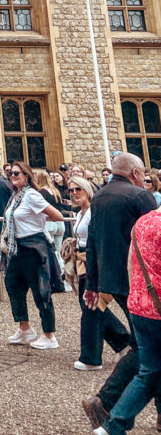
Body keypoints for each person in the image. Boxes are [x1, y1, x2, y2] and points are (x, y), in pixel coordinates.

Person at [81, 152, 158, 433]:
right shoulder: (140, 197)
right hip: (142, 284)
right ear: (136, 173)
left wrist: (92, 283)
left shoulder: (99, 197)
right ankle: (105, 401)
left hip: (113, 280)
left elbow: (92, 242)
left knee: (149, 348)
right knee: (145, 350)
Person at [91, 204, 161, 435]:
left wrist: (137, 296)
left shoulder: (143, 222)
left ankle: (112, 426)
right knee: (150, 371)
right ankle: (113, 425)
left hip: (141, 305)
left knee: (150, 370)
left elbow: (132, 263)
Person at [67, 176, 130, 371]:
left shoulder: (94, 210)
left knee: (92, 306)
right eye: (71, 190)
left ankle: (94, 356)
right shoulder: (79, 214)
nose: (75, 193)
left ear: (87, 190)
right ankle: (122, 342)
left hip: (94, 263)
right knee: (92, 306)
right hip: (83, 263)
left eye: (79, 189)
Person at [0, 160, 63, 349]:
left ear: (26, 176)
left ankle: (49, 335)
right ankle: (25, 328)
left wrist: (39, 220)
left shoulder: (32, 195)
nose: (12, 176)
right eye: (11, 173)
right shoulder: (15, 196)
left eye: (16, 173)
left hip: (33, 246)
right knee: (13, 285)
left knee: (40, 291)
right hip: (18, 247)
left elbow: (57, 215)